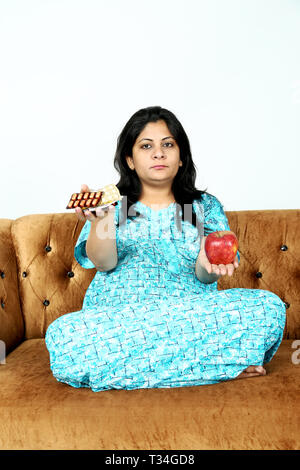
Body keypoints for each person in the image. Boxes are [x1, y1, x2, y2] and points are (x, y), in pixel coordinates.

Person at [45, 106, 286, 391]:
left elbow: (205, 275)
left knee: (268, 307)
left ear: (181, 157)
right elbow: (104, 263)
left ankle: (132, 370)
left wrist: (208, 263)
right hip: (121, 323)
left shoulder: (201, 207)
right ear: (130, 160)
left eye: (168, 145)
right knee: (64, 336)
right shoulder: (113, 206)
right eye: (146, 146)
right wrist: (102, 221)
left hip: (190, 316)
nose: (158, 153)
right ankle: (214, 366)